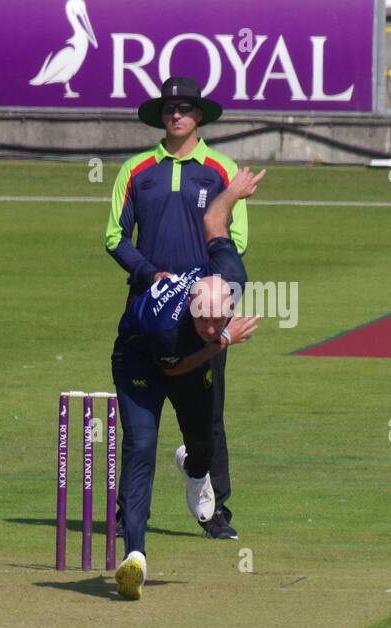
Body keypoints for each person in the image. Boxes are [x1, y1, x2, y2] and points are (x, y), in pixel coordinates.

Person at [111, 168, 265, 601]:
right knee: (141, 447)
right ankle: (135, 557)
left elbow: (213, 223)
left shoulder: (228, 274)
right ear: (193, 309)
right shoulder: (170, 327)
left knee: (203, 444)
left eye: (221, 318)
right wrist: (224, 340)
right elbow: (173, 370)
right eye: (206, 320)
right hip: (139, 360)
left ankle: (193, 469)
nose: (213, 325)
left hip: (188, 361)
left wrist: (232, 193)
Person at [105, 77, 247, 540]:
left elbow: (234, 240)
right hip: (147, 313)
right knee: (140, 426)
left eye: (185, 107)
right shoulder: (136, 169)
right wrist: (151, 274)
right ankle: (129, 518)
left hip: (204, 313)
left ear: (199, 115)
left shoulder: (222, 170)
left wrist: (202, 290)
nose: (176, 114)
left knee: (208, 419)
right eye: (170, 108)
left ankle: (214, 510)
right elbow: (114, 237)